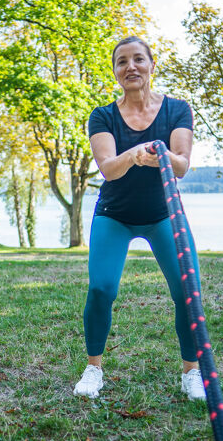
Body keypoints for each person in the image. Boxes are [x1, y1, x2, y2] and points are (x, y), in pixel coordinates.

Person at [73, 36, 205, 401]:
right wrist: (133, 155)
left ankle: (191, 372)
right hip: (115, 214)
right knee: (101, 288)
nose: (130, 66)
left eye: (138, 59)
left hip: (164, 214)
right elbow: (108, 168)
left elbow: (181, 165)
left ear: (151, 65)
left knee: (187, 291)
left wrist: (161, 154)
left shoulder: (177, 110)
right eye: (122, 61)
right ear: (115, 72)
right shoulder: (103, 116)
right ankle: (93, 369)